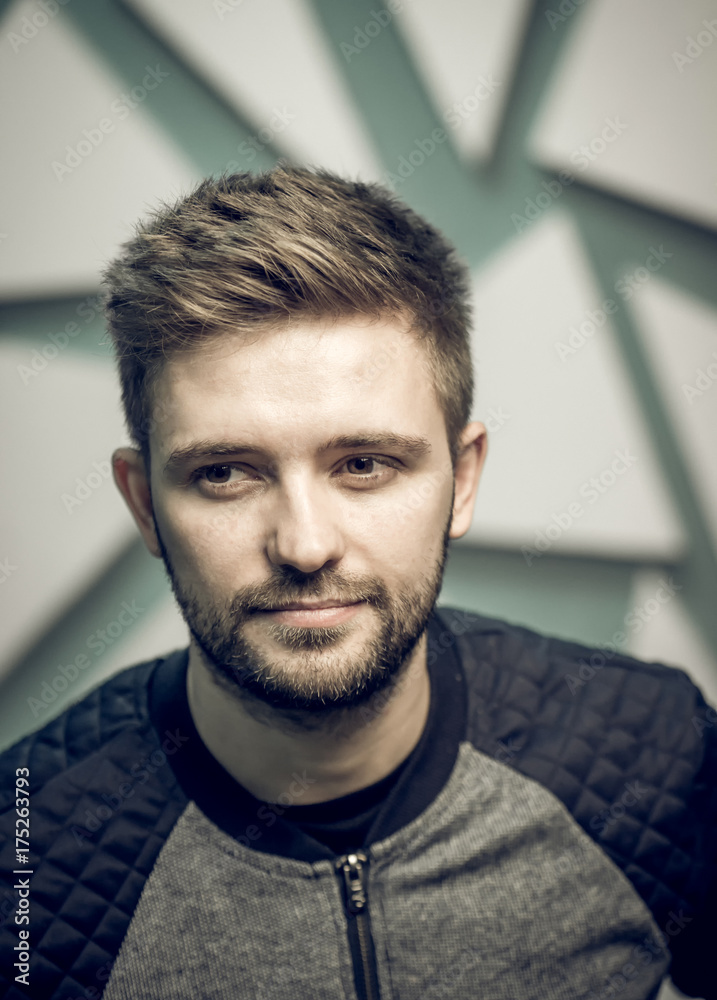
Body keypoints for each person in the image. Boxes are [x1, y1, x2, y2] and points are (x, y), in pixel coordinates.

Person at [0, 167, 714, 1000]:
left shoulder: (658, 752)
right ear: (144, 504)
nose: (304, 544)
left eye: (364, 464)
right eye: (226, 473)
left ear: (463, 478)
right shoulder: (26, 858)